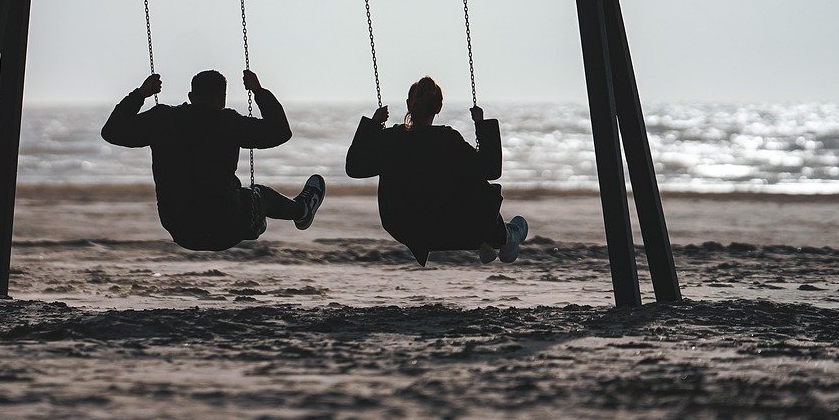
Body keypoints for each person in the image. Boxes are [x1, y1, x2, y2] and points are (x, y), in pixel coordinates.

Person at [101, 69, 325, 251]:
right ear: (223, 99)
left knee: (244, 197)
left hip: (180, 229)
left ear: (190, 97)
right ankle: (302, 211)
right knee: (258, 194)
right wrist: (258, 91)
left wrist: (140, 94)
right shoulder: (227, 122)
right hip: (226, 228)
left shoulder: (162, 119)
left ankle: (265, 215)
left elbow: (111, 131)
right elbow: (280, 132)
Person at [346, 76, 527, 266]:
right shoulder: (448, 140)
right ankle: (502, 235)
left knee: (455, 176)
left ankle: (491, 239)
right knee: (472, 177)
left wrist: (374, 124)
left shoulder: (390, 140)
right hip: (458, 226)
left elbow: (354, 168)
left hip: (404, 226)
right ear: (438, 108)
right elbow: (491, 170)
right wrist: (481, 124)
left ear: (409, 104)